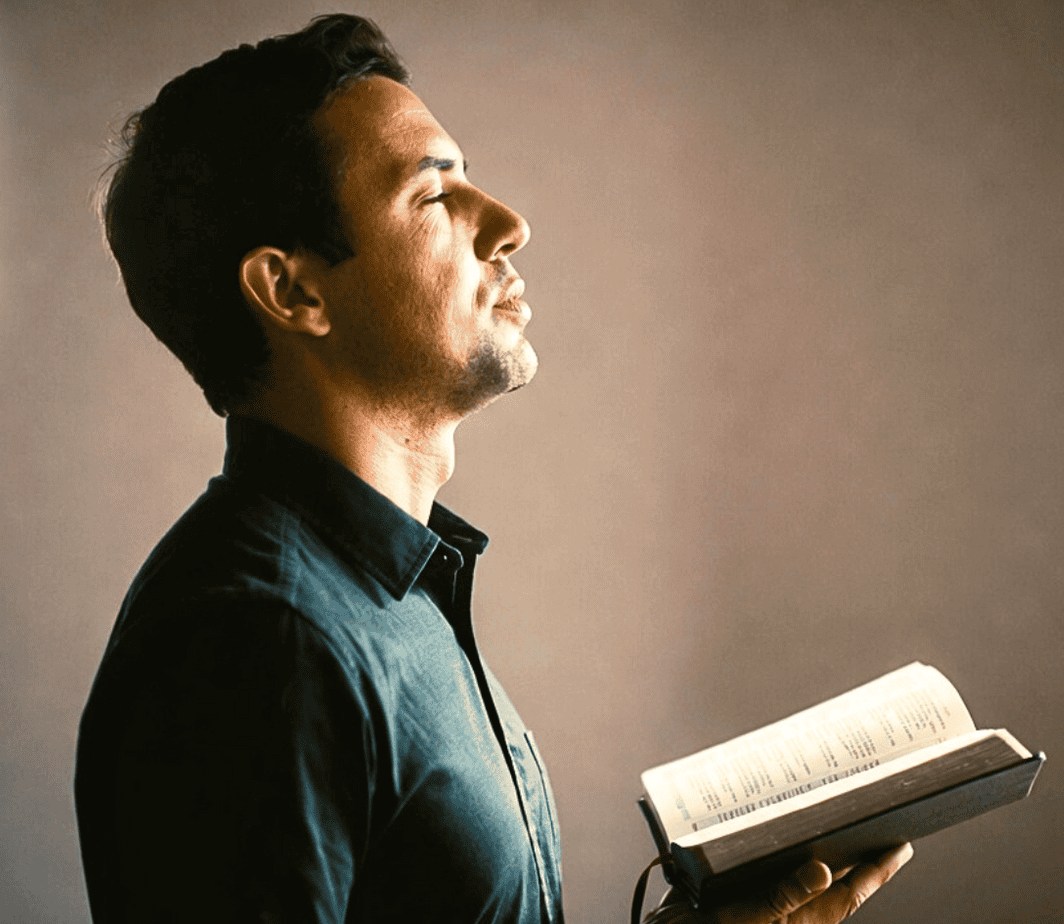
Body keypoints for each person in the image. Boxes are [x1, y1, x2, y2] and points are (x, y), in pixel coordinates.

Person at [74, 14, 912, 924]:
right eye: (434, 198)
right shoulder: (258, 640)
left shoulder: (395, 594)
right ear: (293, 291)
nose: (508, 225)